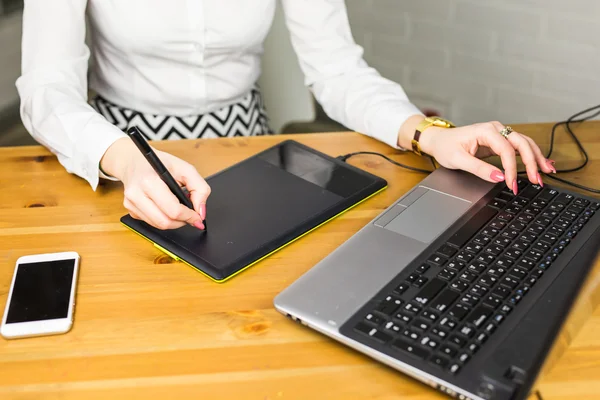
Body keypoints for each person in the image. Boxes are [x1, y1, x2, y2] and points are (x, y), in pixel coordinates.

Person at [17, 1, 555, 231]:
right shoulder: (120, 156)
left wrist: (429, 134)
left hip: (244, 143)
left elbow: (338, 70)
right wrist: (125, 159)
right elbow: (45, 90)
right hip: (116, 153)